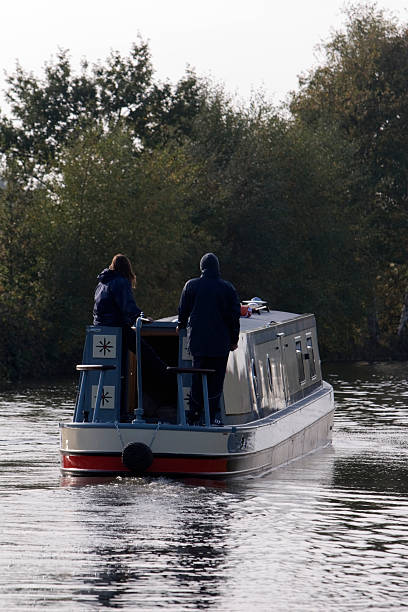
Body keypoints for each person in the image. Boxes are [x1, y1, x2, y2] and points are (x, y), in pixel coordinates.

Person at [93, 254, 174, 418]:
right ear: (127, 270)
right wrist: (142, 317)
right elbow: (128, 307)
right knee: (148, 355)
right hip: (116, 327)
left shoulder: (101, 283)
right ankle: (171, 382)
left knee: (119, 366)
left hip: (101, 331)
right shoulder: (121, 282)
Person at [177, 253, 241, 425]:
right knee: (216, 380)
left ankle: (193, 415)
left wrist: (181, 325)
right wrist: (234, 339)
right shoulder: (227, 288)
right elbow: (234, 317)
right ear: (217, 268)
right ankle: (211, 416)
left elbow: (183, 310)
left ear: (201, 268)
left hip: (198, 342)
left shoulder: (191, 285)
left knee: (197, 378)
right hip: (221, 344)